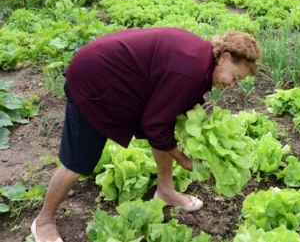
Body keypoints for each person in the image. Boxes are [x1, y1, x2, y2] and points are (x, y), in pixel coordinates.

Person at [32, 28, 262, 242]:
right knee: (79, 162)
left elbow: (166, 118)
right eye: (235, 78)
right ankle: (43, 221)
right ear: (225, 58)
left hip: (118, 78)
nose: (233, 85)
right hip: (94, 80)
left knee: (163, 128)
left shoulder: (202, 60)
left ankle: (165, 191)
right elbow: (155, 126)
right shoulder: (189, 71)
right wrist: (184, 160)